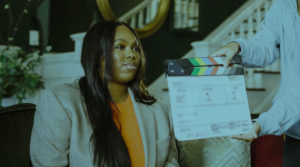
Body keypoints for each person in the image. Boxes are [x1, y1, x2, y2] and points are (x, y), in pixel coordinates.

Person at [30, 21, 179, 167]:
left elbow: (171, 162)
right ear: (96, 53)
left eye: (135, 49)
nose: (131, 54)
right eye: (120, 47)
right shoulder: (58, 102)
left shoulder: (160, 110)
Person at [210, 0, 300, 166]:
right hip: (295, 133)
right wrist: (237, 47)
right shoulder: (283, 4)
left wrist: (263, 123)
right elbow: (265, 46)